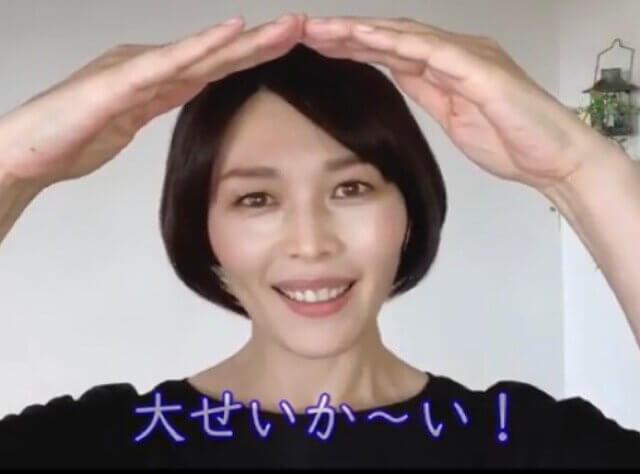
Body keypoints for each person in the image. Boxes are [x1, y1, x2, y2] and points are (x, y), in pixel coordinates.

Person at [0, 12, 639, 468]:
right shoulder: (94, 447)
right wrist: (11, 167)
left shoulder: (524, 444)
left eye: (351, 189)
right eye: (256, 199)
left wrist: (582, 170)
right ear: (203, 227)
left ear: (408, 208)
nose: (310, 244)